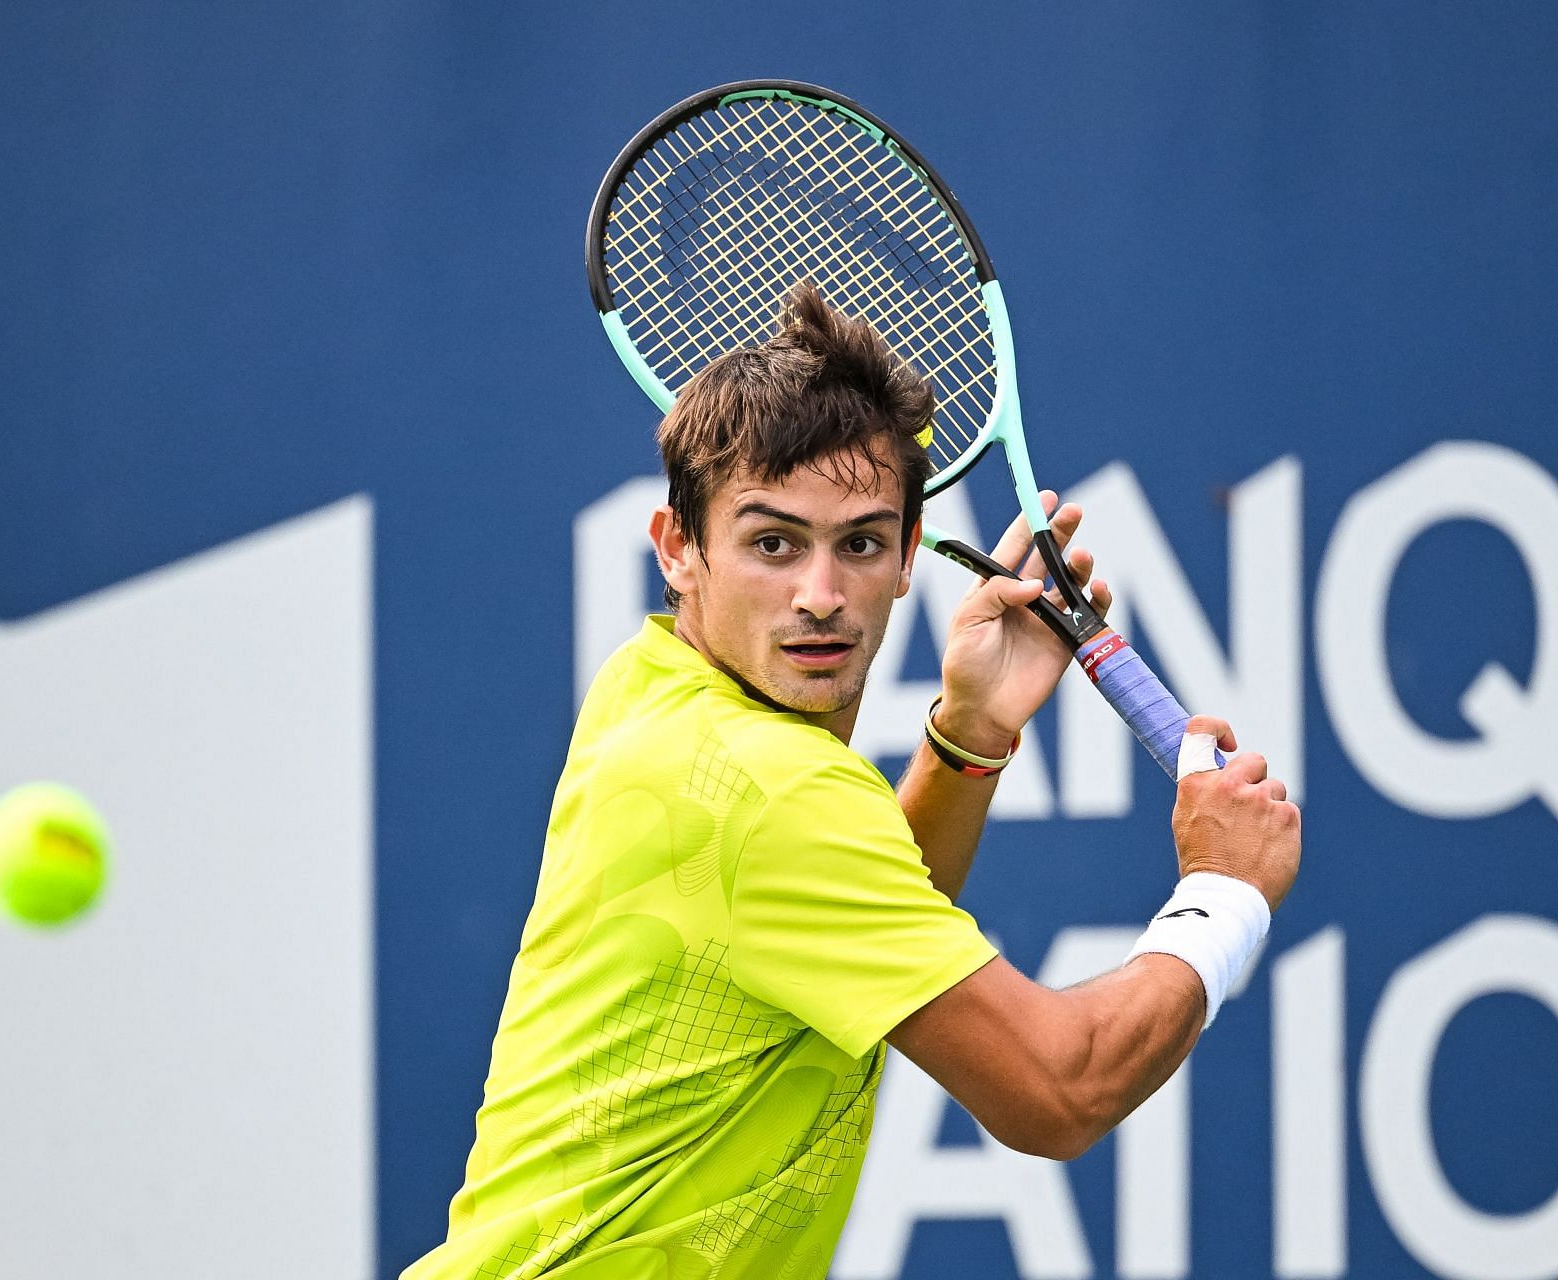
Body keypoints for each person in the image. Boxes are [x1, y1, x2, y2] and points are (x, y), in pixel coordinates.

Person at [403, 282, 1301, 1278]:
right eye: (772, 542)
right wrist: (1223, 892)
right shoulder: (773, 789)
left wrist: (970, 734)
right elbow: (1061, 1088)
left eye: (861, 543)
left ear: (911, 555)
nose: (820, 597)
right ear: (678, 548)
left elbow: (850, 917)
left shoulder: (651, 686)